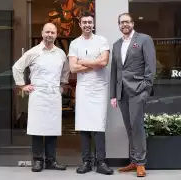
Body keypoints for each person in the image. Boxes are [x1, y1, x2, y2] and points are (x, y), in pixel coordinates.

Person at [12, 23, 70, 172]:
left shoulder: (61, 54)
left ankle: (51, 161)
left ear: (56, 34)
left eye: (52, 32)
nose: (50, 35)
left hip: (53, 94)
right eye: (47, 32)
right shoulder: (33, 52)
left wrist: (62, 85)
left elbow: (65, 71)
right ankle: (37, 160)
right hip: (38, 94)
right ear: (42, 33)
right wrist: (22, 85)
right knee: (37, 129)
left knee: (52, 128)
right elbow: (17, 67)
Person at [110, 13, 156, 177]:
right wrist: (113, 95)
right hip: (122, 92)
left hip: (138, 91)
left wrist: (145, 89)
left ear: (133, 23)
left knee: (137, 127)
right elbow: (115, 71)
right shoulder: (116, 45)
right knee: (129, 128)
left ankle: (141, 163)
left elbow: (150, 67)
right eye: (122, 22)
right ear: (119, 25)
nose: (125, 25)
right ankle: (134, 161)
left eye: (127, 22)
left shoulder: (144, 39)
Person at [68, 11, 113, 175]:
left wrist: (83, 61)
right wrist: (94, 64)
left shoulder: (102, 41)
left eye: (89, 22)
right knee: (84, 126)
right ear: (80, 25)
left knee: (99, 126)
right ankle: (86, 162)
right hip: (84, 88)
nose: (87, 24)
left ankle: (101, 162)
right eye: (84, 22)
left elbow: (104, 62)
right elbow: (73, 68)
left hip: (100, 88)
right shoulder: (74, 44)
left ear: (93, 24)